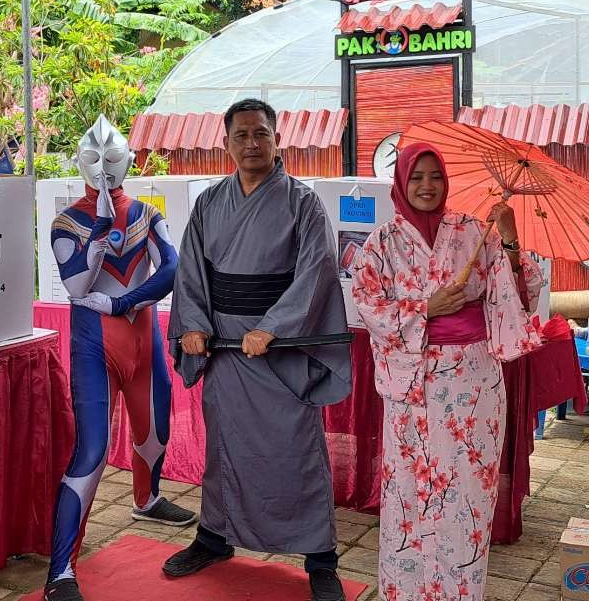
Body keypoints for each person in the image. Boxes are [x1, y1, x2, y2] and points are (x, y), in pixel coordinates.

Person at [165, 98, 353, 601]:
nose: (252, 143)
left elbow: (317, 269)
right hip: (225, 345)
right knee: (224, 448)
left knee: (297, 450)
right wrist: (194, 326)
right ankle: (213, 536)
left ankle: (319, 556)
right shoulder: (209, 203)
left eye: (261, 134)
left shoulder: (301, 201)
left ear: (277, 139)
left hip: (281, 348)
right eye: (241, 135)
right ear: (226, 143)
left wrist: (272, 328)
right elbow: (190, 272)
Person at [350, 143, 544, 601]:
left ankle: (461, 592)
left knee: (467, 493)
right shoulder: (383, 242)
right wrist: (424, 307)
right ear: (401, 181)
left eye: (435, 176)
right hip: (411, 383)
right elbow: (367, 304)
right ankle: (408, 591)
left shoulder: (476, 231)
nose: (427, 186)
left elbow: (521, 295)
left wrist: (510, 239)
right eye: (416, 177)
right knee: (409, 490)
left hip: (472, 381)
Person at [45, 115, 196, 601]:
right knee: (91, 451)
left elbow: (172, 266)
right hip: (95, 345)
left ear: (128, 161)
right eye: (96, 161)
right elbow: (75, 286)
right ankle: (61, 571)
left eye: (112, 161)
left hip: (141, 336)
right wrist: (104, 227)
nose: (105, 170)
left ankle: (147, 499)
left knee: (155, 429)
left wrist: (124, 301)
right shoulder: (66, 221)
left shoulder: (149, 213)